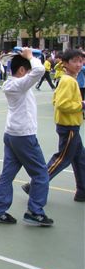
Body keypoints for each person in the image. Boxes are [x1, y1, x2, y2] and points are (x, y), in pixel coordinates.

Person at [0, 48, 53, 226]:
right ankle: (35, 212)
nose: (30, 74)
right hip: (23, 136)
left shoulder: (12, 84)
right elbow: (40, 70)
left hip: (12, 134)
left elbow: (35, 72)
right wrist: (30, 56)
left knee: (7, 174)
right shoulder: (19, 85)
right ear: (22, 71)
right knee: (41, 174)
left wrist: (27, 57)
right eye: (27, 71)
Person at [22, 49, 85, 203]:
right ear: (66, 63)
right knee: (61, 159)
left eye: (81, 61)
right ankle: (35, 185)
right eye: (75, 61)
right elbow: (62, 104)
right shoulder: (68, 81)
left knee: (80, 159)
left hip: (71, 126)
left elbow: (56, 100)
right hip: (69, 126)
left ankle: (82, 191)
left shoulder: (67, 79)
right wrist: (81, 105)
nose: (79, 64)